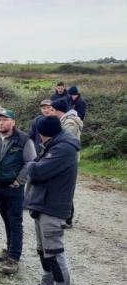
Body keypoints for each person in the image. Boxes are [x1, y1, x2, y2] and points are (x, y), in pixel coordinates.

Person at [22, 116, 79, 285]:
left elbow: (37, 170)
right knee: (43, 250)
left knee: (54, 252)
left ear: (42, 133)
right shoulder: (55, 144)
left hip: (53, 206)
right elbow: (38, 165)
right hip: (43, 203)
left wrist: (30, 164)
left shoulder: (63, 148)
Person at [0, 110, 37, 275]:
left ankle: (14, 258)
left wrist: (18, 181)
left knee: (15, 222)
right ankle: (9, 248)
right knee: (6, 219)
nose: (1, 123)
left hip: (12, 187)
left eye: (5, 120)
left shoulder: (23, 139)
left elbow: (30, 162)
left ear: (13, 122)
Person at [51, 98, 83, 229]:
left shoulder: (70, 123)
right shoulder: (64, 120)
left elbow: (65, 141)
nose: (51, 112)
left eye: (53, 110)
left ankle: (68, 219)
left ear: (58, 111)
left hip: (68, 159)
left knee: (66, 188)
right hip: (64, 158)